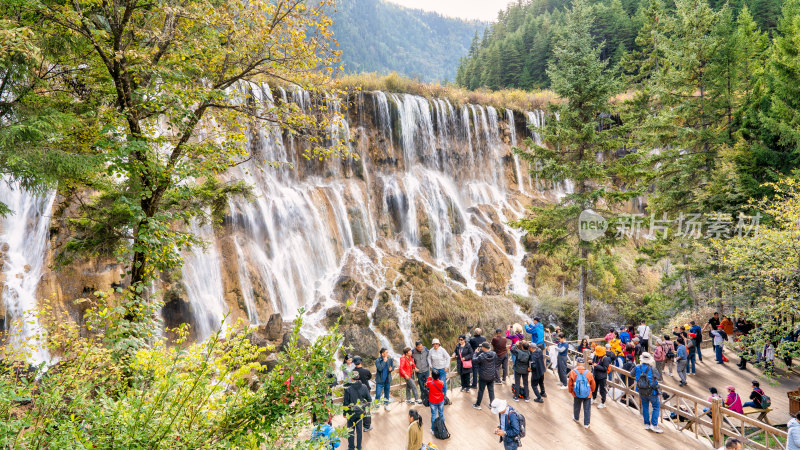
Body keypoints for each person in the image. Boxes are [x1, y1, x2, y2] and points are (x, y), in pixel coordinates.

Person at [635, 352, 664, 433]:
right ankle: (654, 425)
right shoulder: (652, 368)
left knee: (645, 406)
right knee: (656, 406)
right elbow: (658, 377)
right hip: (652, 391)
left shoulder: (637, 367)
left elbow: (631, 374)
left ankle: (646, 424)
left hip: (641, 390)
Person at [343, 370, 372, 450]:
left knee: (350, 430)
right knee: (359, 431)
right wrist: (365, 408)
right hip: (360, 412)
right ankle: (359, 447)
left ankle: (351, 447)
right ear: (358, 377)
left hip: (351, 412)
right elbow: (369, 399)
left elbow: (345, 403)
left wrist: (344, 413)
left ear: (351, 378)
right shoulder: (364, 387)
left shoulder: (348, 389)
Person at [568, 356, 596, 429]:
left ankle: (576, 418)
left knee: (577, 406)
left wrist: (571, 391)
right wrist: (592, 391)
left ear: (577, 363)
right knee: (587, 408)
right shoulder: (588, 373)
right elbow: (593, 383)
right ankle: (586, 424)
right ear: (584, 364)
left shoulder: (573, 372)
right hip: (587, 393)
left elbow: (570, 383)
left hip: (576, 392)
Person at [473, 342, 498, 410]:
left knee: (481, 390)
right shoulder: (494, 354)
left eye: (482, 347)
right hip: (491, 375)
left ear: (484, 348)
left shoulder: (482, 356)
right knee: (491, 390)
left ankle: (478, 404)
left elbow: (474, 360)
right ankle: (492, 405)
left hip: (483, 376)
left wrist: (475, 353)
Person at [425, 371, 446, 435]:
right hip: (440, 400)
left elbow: (426, 384)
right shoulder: (441, 383)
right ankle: (442, 427)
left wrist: (429, 377)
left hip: (432, 401)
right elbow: (442, 385)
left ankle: (433, 429)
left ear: (433, 376)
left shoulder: (430, 383)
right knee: (441, 414)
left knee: (433, 415)